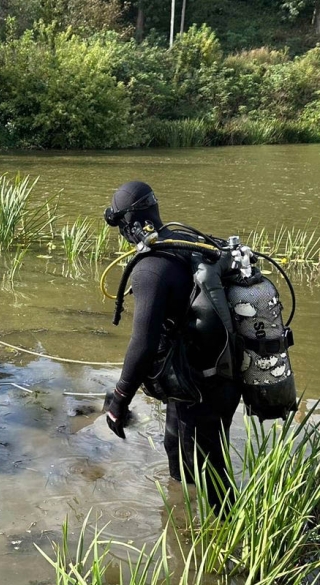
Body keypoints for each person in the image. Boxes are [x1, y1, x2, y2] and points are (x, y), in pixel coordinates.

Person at [101, 181, 240, 508]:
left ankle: (234, 547)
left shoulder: (149, 268)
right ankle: (179, 518)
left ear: (130, 223)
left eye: (121, 226)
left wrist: (120, 399)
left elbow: (143, 344)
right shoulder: (186, 243)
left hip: (207, 382)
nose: (122, 234)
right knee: (174, 445)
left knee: (210, 471)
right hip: (203, 376)